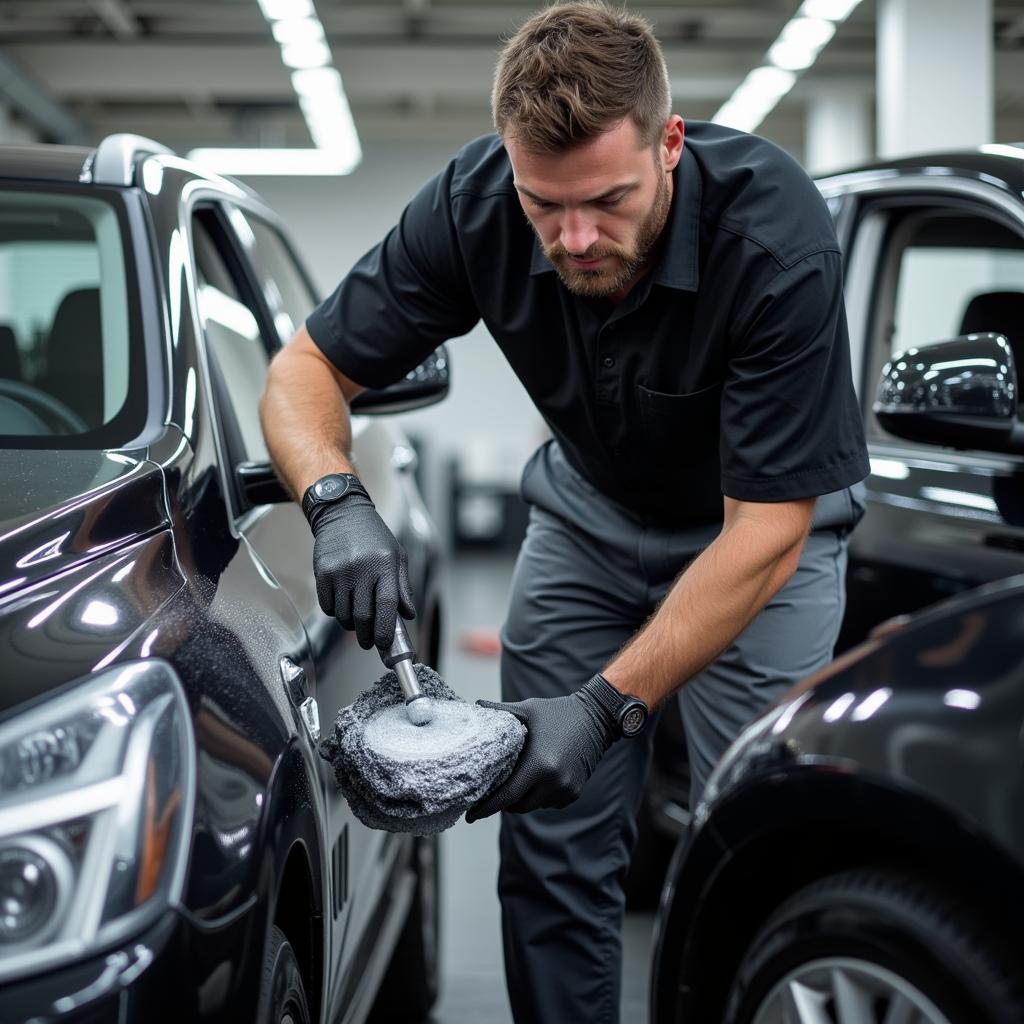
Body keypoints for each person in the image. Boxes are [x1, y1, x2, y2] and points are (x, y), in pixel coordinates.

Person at [259, 2, 869, 1020]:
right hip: (586, 520)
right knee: (548, 834)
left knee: (759, 842)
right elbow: (304, 369)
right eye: (546, 205)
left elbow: (765, 532)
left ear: (668, 143)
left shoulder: (776, 239)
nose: (576, 238)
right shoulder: (475, 202)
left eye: (610, 200)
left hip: (760, 541)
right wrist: (334, 499)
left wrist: (601, 707)